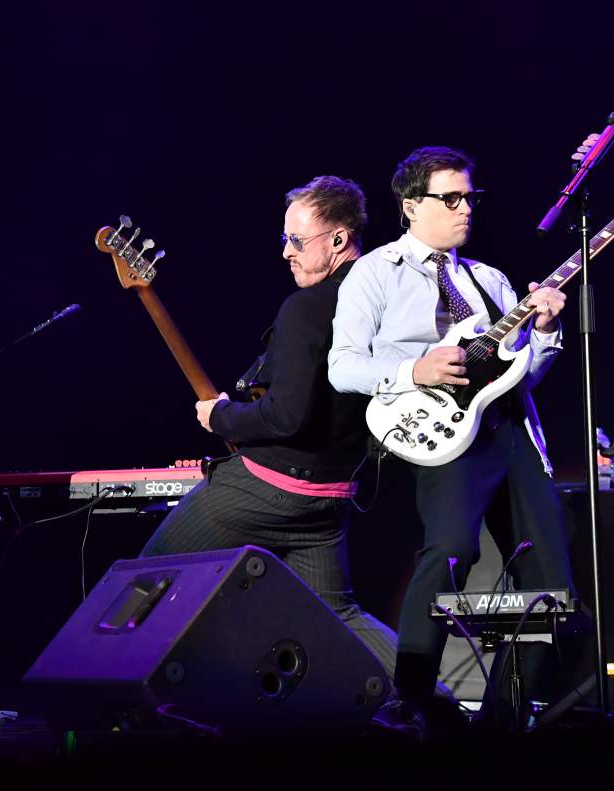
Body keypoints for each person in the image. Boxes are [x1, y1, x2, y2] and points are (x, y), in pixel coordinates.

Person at [327, 146, 576, 735]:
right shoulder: (375, 272)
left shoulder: (490, 280)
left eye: (472, 197)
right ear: (411, 206)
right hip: (442, 433)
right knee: (448, 553)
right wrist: (416, 370)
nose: (467, 209)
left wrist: (544, 331)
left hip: (511, 431)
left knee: (552, 584)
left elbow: (521, 373)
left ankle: (504, 719)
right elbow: (342, 367)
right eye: (452, 198)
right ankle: (408, 697)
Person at [139, 176, 398, 677]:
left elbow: (286, 416)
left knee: (149, 583)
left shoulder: (307, 307)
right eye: (285, 239)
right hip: (330, 500)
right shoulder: (383, 300)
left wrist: (222, 416)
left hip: (265, 490)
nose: (286, 252)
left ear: (339, 240)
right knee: (340, 617)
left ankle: (108, 718)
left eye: (298, 241)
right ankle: (444, 708)